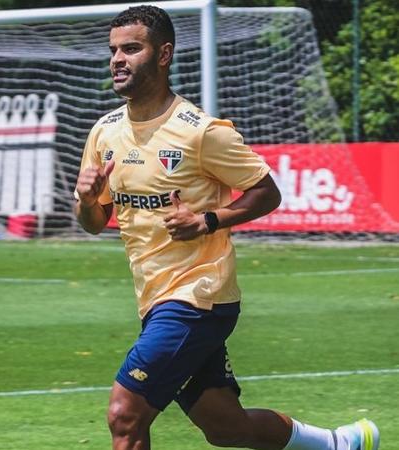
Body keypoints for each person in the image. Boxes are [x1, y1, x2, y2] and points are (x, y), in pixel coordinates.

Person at [75, 5, 380, 450]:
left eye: (131, 48)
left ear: (163, 54)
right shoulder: (104, 133)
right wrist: (86, 199)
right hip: (154, 300)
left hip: (199, 297)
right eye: (114, 50)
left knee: (126, 415)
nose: (118, 59)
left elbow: (267, 193)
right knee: (225, 428)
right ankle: (339, 443)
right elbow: (93, 222)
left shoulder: (200, 132)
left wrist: (207, 220)